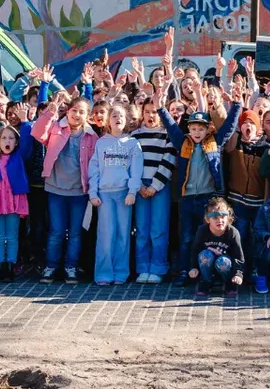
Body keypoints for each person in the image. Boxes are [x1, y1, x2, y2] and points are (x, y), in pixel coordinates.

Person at [158, 91, 242, 286]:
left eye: (201, 129)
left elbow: (229, 126)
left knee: (206, 237)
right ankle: (185, 271)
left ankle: (208, 272)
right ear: (189, 129)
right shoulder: (183, 143)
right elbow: (171, 127)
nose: (197, 132)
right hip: (187, 199)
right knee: (186, 238)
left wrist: (237, 105)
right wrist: (161, 108)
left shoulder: (215, 142)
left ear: (207, 130)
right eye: (193, 128)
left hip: (207, 199)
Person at [34, 96, 98, 285]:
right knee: (56, 230)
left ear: (87, 115)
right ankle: (52, 266)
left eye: (82, 112)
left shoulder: (91, 136)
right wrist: (49, 111)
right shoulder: (55, 128)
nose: (77, 115)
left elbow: (94, 166)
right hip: (55, 189)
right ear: (68, 111)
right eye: (74, 110)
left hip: (79, 191)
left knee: (76, 232)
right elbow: (38, 133)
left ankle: (71, 266)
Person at [88, 105, 144, 286]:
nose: (117, 118)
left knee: (122, 234)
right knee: (105, 235)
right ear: (107, 120)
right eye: (113, 115)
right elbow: (94, 169)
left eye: (121, 115)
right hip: (104, 195)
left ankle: (121, 272)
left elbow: (136, 170)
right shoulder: (101, 143)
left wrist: (132, 191)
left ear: (126, 120)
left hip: (123, 195)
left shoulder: (133, 143)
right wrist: (93, 192)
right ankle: (103, 272)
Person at [0, 117, 33, 281]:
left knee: (11, 235)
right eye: (3, 138)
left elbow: (27, 142)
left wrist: (25, 123)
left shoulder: (19, 156)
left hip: (14, 200)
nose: (7, 141)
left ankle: (9, 265)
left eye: (11, 138)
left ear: (16, 142)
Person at [132, 97, 177, 284]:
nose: (151, 116)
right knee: (142, 228)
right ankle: (142, 267)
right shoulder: (134, 136)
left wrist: (154, 186)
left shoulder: (167, 135)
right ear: (142, 113)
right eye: (148, 112)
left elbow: (168, 161)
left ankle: (158, 267)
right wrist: (139, 186)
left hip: (160, 185)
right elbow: (131, 163)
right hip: (140, 184)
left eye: (155, 112)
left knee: (158, 228)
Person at [224, 108, 268, 280]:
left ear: (258, 128)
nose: (247, 126)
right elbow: (228, 144)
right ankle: (239, 269)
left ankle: (256, 269)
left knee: (257, 237)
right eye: (244, 123)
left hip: (257, 201)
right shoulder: (235, 144)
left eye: (252, 123)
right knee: (239, 236)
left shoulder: (265, 148)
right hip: (238, 200)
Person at [188, 196, 245, 297]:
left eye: (223, 217)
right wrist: (193, 267)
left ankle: (229, 283)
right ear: (207, 219)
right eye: (215, 218)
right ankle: (206, 282)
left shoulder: (232, 232)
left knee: (223, 261)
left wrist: (238, 274)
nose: (220, 221)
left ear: (228, 217)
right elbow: (195, 250)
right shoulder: (202, 231)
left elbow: (238, 256)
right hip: (207, 264)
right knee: (205, 255)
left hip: (226, 265)